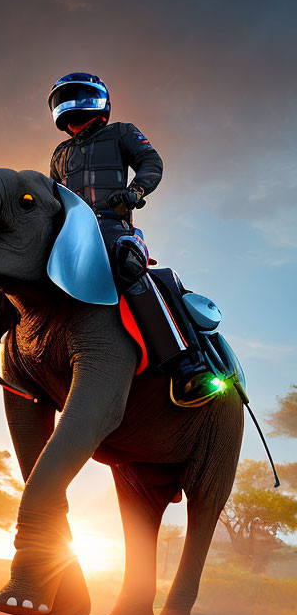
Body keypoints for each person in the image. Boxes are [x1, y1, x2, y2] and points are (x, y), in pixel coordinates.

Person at [47, 72, 215, 407]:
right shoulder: (59, 153)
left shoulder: (121, 131)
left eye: (79, 94)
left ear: (99, 100)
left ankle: (185, 364)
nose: (71, 103)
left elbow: (151, 162)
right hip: (70, 231)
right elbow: (53, 196)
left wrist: (134, 192)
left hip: (112, 225)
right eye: (64, 97)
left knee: (125, 262)